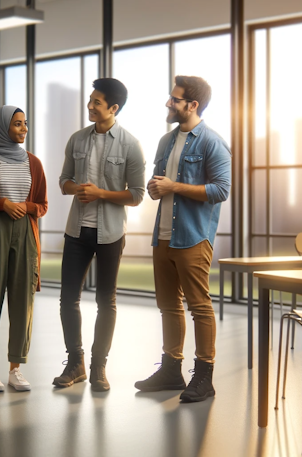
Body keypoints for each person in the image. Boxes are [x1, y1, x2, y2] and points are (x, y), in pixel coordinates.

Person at [134, 75, 231, 403]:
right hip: (163, 236)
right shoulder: (165, 141)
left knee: (199, 306)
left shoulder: (212, 142)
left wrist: (173, 187)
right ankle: (171, 369)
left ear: (192, 105)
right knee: (168, 305)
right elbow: (157, 182)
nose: (168, 103)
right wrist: (154, 186)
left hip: (193, 237)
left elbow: (221, 190)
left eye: (174, 99)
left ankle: (204, 377)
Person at [54, 78, 145, 391]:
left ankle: (98, 367)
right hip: (76, 231)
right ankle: (75, 362)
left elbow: (136, 195)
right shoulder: (77, 140)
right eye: (90, 100)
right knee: (68, 299)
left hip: (110, 234)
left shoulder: (130, 145)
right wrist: (76, 189)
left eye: (97, 102)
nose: (90, 106)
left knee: (106, 301)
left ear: (113, 108)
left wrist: (101, 194)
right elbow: (63, 180)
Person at [0, 105, 48, 392]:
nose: (23, 128)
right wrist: (1, 204)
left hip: (26, 232)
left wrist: (24, 207)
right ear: (2, 127)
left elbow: (42, 205)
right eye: (17, 124)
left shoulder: (34, 163)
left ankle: (16, 367)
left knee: (22, 299)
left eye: (25, 123)